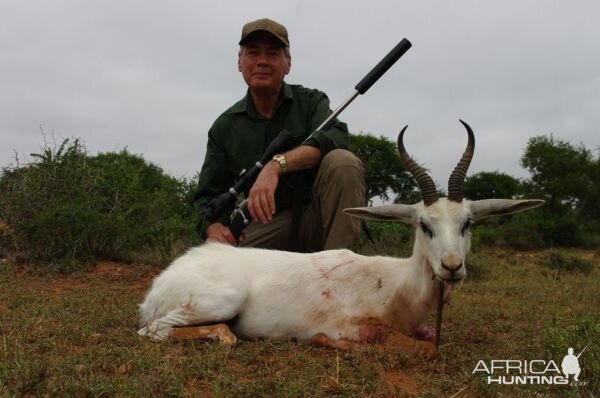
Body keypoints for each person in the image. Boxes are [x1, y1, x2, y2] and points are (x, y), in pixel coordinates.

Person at [193, 18, 365, 252]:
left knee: (343, 162)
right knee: (219, 262)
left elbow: (336, 138)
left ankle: (339, 277)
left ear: (288, 64)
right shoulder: (225, 127)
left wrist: (276, 166)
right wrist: (212, 228)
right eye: (253, 53)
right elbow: (207, 197)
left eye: (273, 54)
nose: (262, 61)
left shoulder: (311, 102)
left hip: (317, 218)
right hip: (266, 225)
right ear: (240, 62)